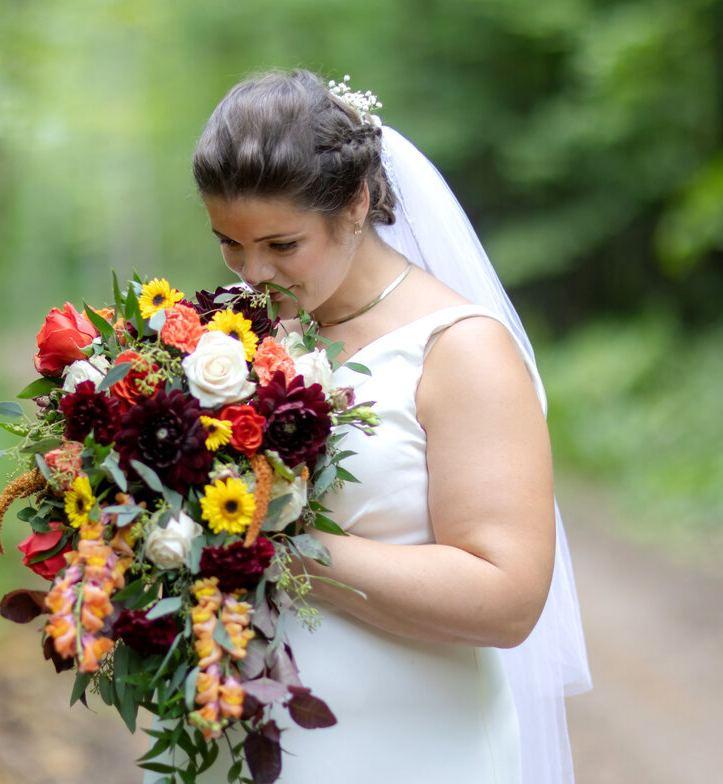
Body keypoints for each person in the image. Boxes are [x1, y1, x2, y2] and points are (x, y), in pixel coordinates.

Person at [152, 70, 591, 783]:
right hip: (228, 736)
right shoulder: (228, 335)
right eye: (230, 243)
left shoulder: (460, 350)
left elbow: (508, 598)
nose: (252, 272)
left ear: (355, 203)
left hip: (405, 746)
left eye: (282, 245)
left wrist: (280, 549)